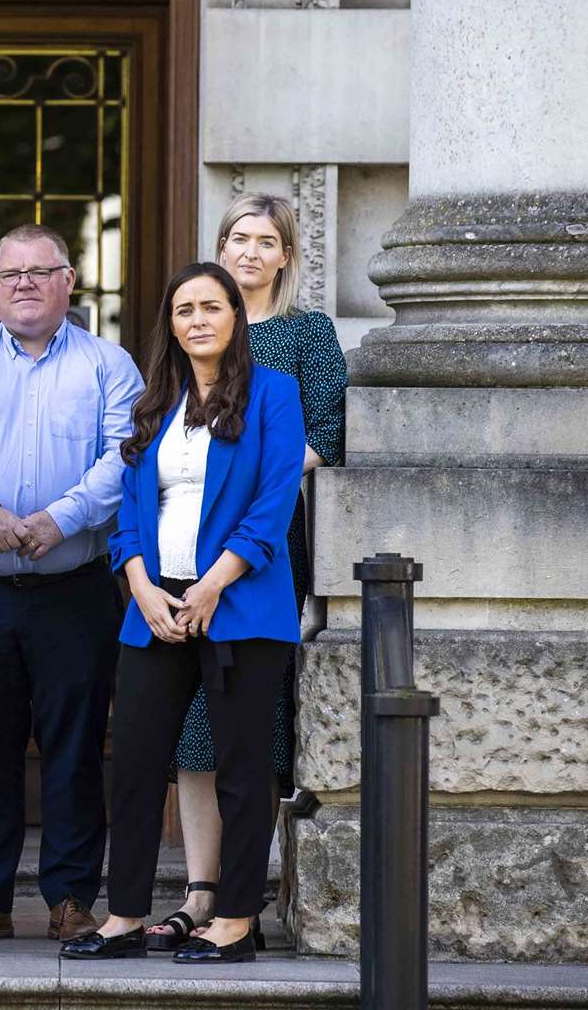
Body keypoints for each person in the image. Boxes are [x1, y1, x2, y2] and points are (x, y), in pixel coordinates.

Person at [62, 261, 304, 965]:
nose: (197, 319)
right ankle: (125, 915)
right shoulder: (155, 400)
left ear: (235, 316)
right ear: (170, 326)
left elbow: (271, 504)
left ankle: (233, 920)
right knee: (134, 763)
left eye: (210, 306)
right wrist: (138, 583)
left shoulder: (274, 396)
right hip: (155, 606)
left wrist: (212, 586)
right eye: (183, 310)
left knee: (239, 766)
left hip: (239, 607)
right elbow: (130, 515)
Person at [0, 225, 142, 945]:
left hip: (72, 588)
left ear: (68, 280)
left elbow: (124, 459)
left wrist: (62, 516)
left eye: (38, 271)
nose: (23, 283)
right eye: (9, 272)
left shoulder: (110, 366)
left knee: (75, 749)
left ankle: (72, 899)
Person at [146, 194, 347, 951]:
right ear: (220, 247)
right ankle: (199, 893)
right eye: (238, 238)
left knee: (246, 724)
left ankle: (242, 894)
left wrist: (248, 486)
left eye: (267, 241)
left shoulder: (305, 334)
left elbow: (328, 432)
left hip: (262, 549)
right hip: (175, 550)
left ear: (287, 256)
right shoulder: (195, 329)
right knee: (191, 728)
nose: (251, 252)